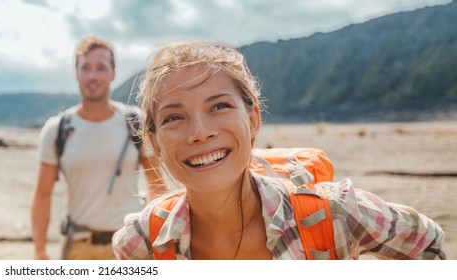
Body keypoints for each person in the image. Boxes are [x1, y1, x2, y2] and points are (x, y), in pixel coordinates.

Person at [112, 41, 446, 260]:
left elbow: (427, 243)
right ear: (154, 142)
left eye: (219, 106)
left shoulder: (338, 214)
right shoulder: (141, 243)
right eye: (173, 117)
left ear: (254, 119)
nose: (200, 132)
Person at [31, 36, 163, 260]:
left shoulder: (135, 121)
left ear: (113, 73)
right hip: (78, 248)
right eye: (86, 68)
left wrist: (162, 240)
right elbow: (43, 195)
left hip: (132, 244)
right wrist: (40, 251)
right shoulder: (56, 130)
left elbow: (157, 184)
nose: (93, 76)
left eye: (101, 67)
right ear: (77, 74)